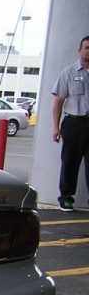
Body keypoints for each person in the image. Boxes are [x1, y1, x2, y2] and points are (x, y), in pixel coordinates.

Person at [52, 35, 89, 212]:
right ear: (80, 50)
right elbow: (58, 102)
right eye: (86, 48)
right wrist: (55, 127)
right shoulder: (68, 73)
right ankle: (66, 198)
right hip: (74, 123)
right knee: (70, 162)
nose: (88, 52)